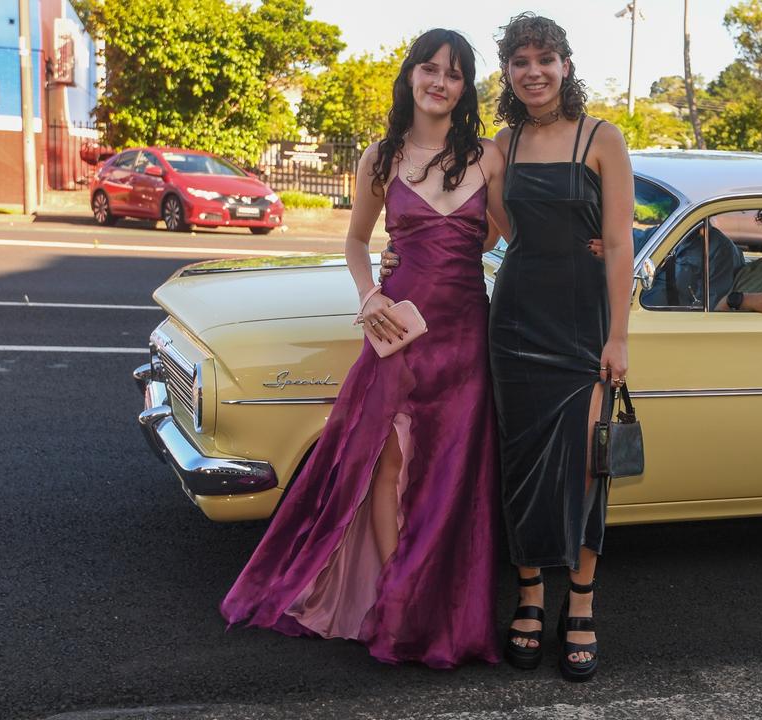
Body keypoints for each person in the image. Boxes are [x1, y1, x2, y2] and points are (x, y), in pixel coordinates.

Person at [220, 29, 509, 669]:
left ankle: (423, 596)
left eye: (454, 74)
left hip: (464, 339)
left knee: (449, 470)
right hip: (394, 333)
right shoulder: (380, 157)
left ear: (465, 90)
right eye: (429, 69)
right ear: (410, 77)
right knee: (385, 462)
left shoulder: (487, 158)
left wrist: (583, 248)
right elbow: (355, 242)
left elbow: (508, 235)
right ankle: (392, 594)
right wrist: (368, 293)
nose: (440, 82)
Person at [381, 13, 632, 682]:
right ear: (509, 74)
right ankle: (529, 598)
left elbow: (620, 244)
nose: (533, 71)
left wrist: (618, 336)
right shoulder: (501, 145)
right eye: (520, 61)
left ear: (566, 66)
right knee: (518, 463)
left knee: (586, 466)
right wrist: (400, 255)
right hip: (516, 320)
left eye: (544, 58)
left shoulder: (603, 139)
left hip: (582, 323)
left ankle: (580, 604)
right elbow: (482, 229)